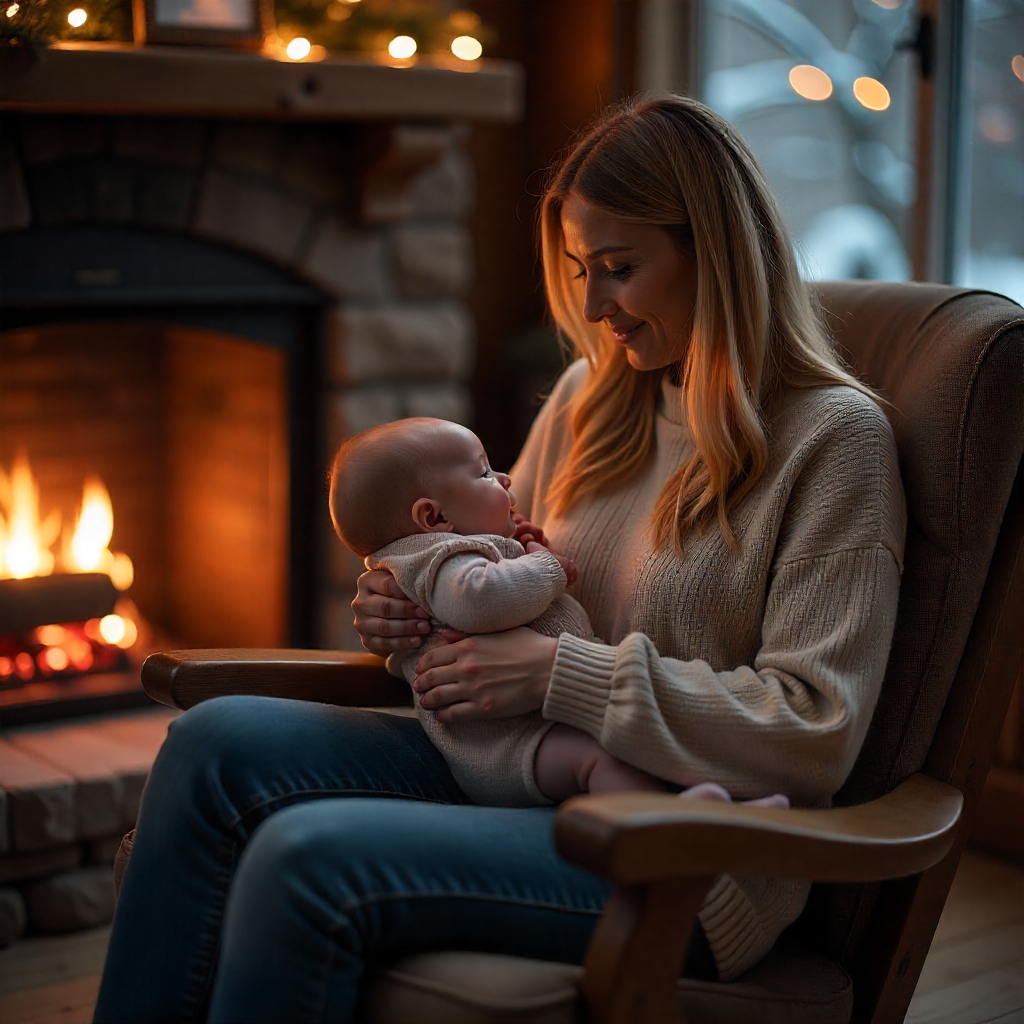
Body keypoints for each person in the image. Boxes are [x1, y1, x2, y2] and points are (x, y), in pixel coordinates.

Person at [94, 95, 905, 1023]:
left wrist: (562, 674)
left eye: (620, 268)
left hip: (680, 840)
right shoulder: (594, 398)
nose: (593, 306)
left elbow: (814, 727)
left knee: (304, 858)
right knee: (213, 744)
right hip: (512, 763)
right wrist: (404, 602)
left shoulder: (833, 441)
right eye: (582, 270)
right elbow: (479, 554)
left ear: (717, 255)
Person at [329, 414, 790, 807]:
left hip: (544, 720)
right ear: (433, 518)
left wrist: (520, 543)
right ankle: (673, 830)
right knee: (601, 761)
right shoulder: (443, 556)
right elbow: (478, 600)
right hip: (512, 745)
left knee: (625, 749)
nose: (505, 480)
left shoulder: (445, 548)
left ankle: (714, 819)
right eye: (485, 473)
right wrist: (545, 565)